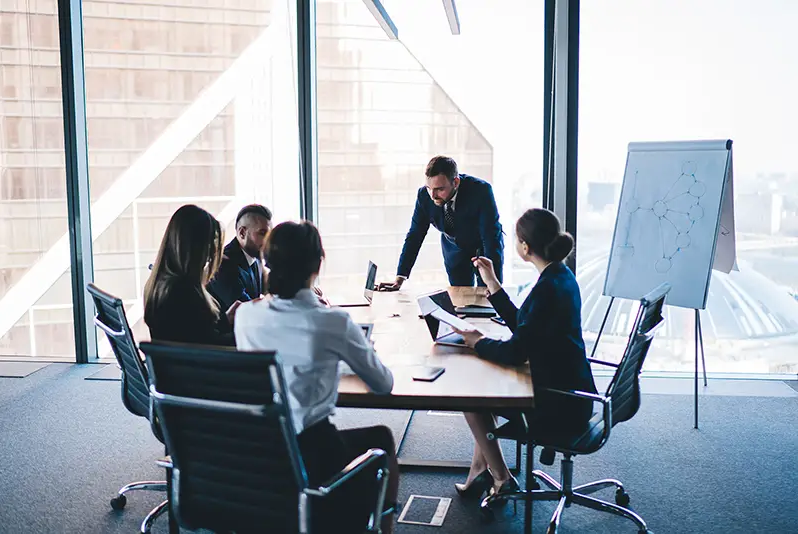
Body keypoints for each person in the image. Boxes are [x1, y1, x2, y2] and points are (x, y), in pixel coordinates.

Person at [234, 221, 399, 534]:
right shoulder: (331, 321)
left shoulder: (246, 315)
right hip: (315, 456)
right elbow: (384, 384)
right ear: (317, 265)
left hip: (259, 453)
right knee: (381, 439)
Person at [450, 208, 598, 502]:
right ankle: (483, 469)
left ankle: (502, 478)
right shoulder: (560, 276)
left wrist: (478, 343)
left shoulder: (547, 289)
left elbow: (516, 351)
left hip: (559, 403)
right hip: (574, 391)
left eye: (516, 240)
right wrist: (492, 282)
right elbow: (527, 326)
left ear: (525, 247)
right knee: (485, 391)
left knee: (472, 401)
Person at [378, 155, 504, 290]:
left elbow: (490, 235)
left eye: (440, 189)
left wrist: (492, 280)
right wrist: (400, 277)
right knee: (460, 300)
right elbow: (415, 235)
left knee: (488, 299)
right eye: (429, 188)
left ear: (455, 182)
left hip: (484, 248)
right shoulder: (424, 196)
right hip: (454, 251)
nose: (433, 195)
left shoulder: (481, 191)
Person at [144, 204, 240, 347]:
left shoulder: (162, 284)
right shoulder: (182, 292)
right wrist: (248, 332)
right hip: (197, 367)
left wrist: (226, 320)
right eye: (210, 243)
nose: (212, 252)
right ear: (195, 247)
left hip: (176, 366)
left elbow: (195, 334)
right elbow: (210, 346)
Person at [207, 204, 272, 313]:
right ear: (242, 233)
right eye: (262, 233)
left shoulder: (256, 257)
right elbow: (248, 310)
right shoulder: (222, 265)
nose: (268, 240)